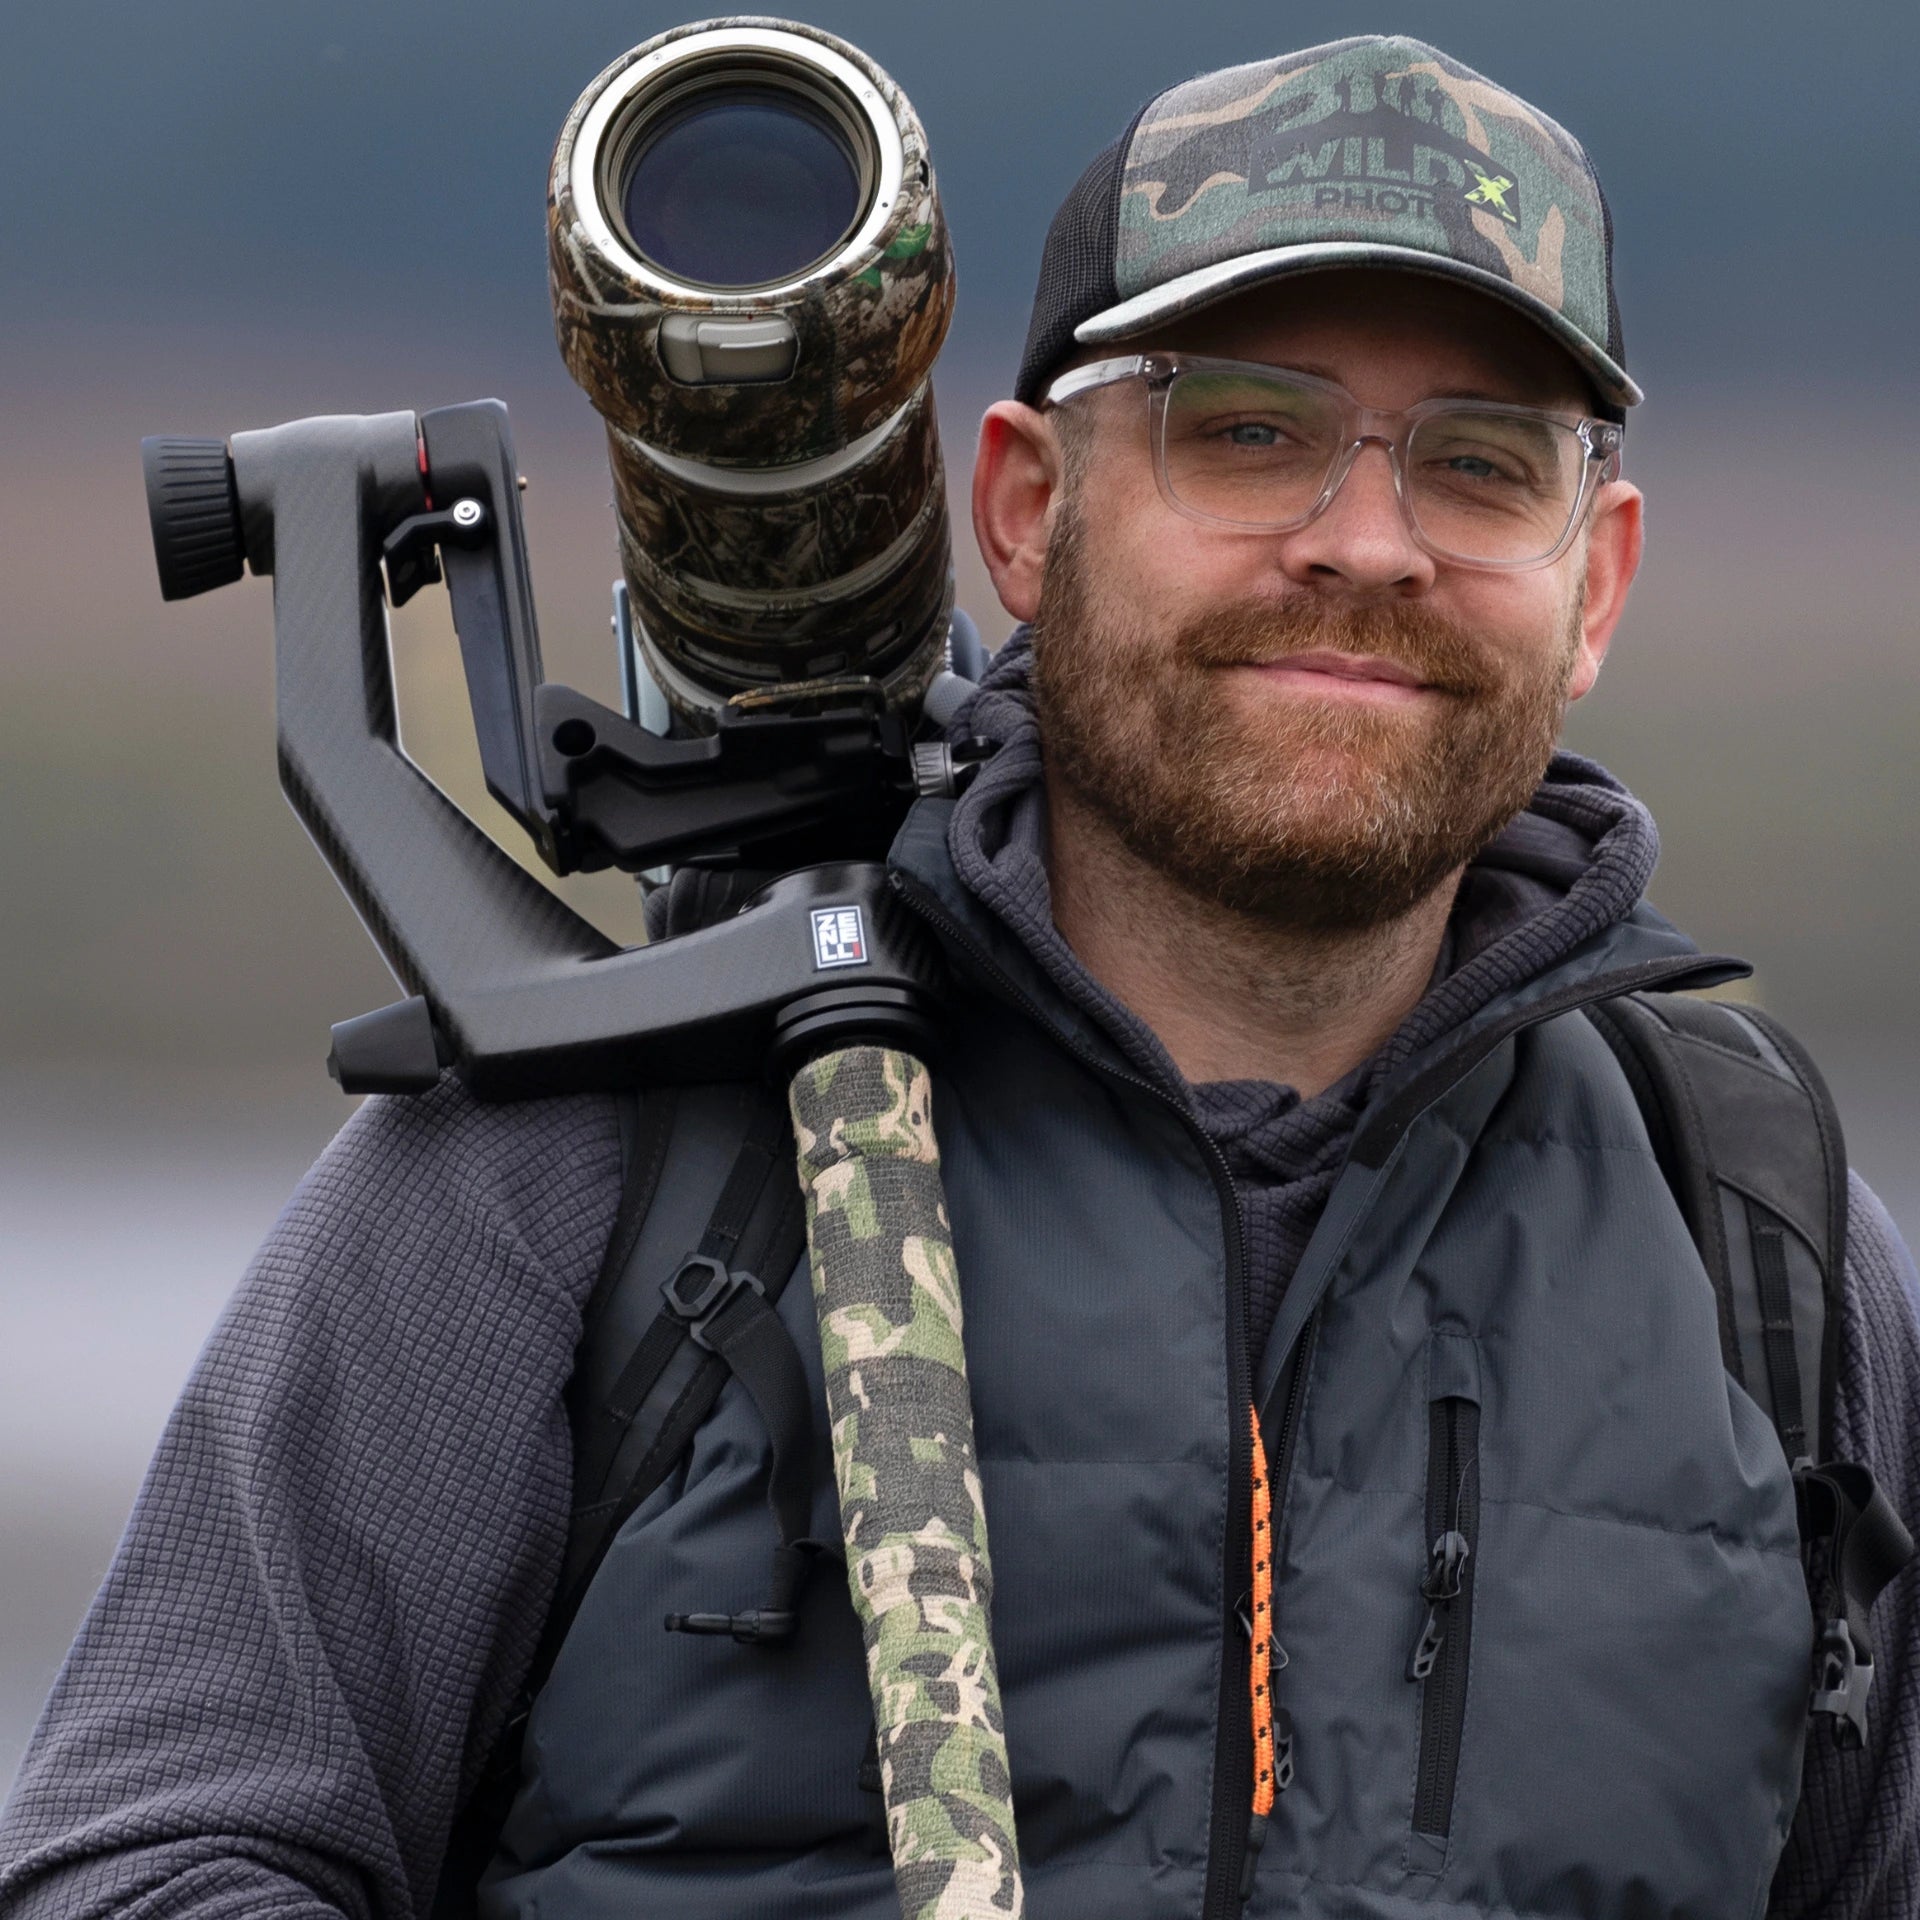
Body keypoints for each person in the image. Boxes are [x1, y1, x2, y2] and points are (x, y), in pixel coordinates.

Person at [3, 32, 1916, 1920]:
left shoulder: (1759, 1237)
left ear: (1597, 583)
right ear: (1023, 509)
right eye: (1245, 429)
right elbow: (148, 1862)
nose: (1366, 544)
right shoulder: (598, 1160)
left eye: (1483, 466)